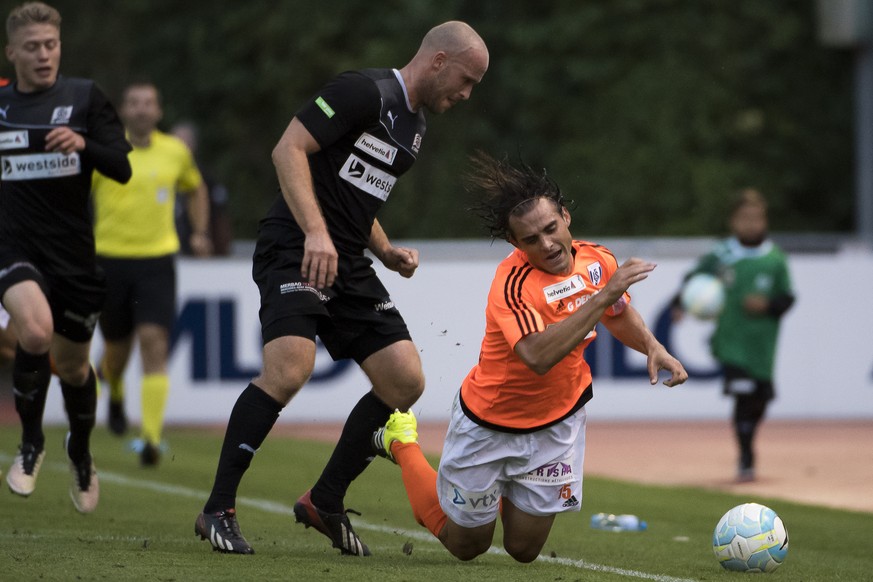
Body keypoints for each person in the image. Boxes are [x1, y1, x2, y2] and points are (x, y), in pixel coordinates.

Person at [194, 21, 489, 556]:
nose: (467, 94)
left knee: (404, 380)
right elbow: (288, 150)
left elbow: (356, 195)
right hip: (294, 246)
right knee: (290, 367)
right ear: (440, 61)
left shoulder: (416, 126)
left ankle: (324, 500)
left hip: (345, 259)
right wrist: (314, 232)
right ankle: (218, 507)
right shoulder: (362, 91)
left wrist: (386, 250)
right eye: (467, 80)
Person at [371, 152, 688, 563]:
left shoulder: (598, 260)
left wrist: (653, 346)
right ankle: (402, 442)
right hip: (490, 423)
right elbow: (537, 356)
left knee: (523, 549)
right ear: (514, 244)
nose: (547, 244)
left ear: (566, 218)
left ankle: (497, 493)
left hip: (557, 425)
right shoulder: (513, 284)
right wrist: (604, 296)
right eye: (531, 240)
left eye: (550, 229)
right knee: (469, 545)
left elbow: (618, 312)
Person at [0, 1, 131, 512]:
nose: (43, 55)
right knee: (33, 331)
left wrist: (83, 144)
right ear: (11, 53)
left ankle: (80, 453)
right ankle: (31, 445)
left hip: (74, 259)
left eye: (50, 45)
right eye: (32, 47)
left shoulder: (83, 98)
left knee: (74, 369)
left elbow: (121, 167)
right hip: (13, 248)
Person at [91, 81, 210, 466]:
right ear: (124, 110)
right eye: (134, 103)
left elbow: (196, 188)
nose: (141, 109)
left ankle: (152, 438)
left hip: (157, 262)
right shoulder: (106, 150)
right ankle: (116, 394)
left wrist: (200, 232)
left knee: (153, 343)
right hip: (109, 259)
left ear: (158, 111)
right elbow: (76, 197)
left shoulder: (175, 152)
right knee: (116, 351)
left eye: (148, 103)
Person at [672, 188, 794, 482]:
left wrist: (767, 305)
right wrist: (681, 303)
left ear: (764, 220)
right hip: (730, 343)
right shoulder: (722, 255)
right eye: (745, 218)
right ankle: (746, 458)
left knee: (760, 399)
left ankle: (748, 445)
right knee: (743, 396)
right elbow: (693, 280)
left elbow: (787, 298)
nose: (751, 224)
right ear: (733, 222)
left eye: (756, 217)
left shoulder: (775, 259)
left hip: (762, 346)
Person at [171, 121, 234, 256]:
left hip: (197, 252)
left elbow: (220, 219)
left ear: (194, 145)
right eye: (175, 143)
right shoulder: (160, 175)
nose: (180, 148)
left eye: (184, 142)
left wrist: (216, 249)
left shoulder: (206, 179)